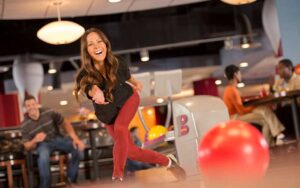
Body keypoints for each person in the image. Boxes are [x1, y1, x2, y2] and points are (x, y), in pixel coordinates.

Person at [74, 28, 186, 182]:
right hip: (109, 113)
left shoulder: (117, 62)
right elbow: (88, 87)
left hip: (128, 99)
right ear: (86, 51)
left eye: (99, 41)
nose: (97, 46)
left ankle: (117, 176)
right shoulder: (84, 74)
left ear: (106, 44)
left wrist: (137, 83)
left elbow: (128, 77)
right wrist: (95, 92)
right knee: (131, 152)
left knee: (121, 128)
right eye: (91, 44)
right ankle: (168, 162)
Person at [21, 95, 85, 188]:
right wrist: (35, 140)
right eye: (28, 106)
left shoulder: (48, 112)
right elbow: (27, 146)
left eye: (33, 104)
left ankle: (71, 179)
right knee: (43, 156)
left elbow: (65, 123)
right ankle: (45, 186)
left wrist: (75, 139)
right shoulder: (25, 124)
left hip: (58, 138)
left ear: (37, 104)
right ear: (25, 108)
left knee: (78, 149)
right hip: (43, 144)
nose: (31, 107)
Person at [223, 64, 285, 146]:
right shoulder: (231, 90)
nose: (241, 76)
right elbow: (241, 111)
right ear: (235, 74)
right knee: (264, 116)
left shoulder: (230, 89)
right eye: (240, 73)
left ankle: (270, 144)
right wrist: (255, 105)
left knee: (265, 120)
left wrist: (253, 100)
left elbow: (240, 103)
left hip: (235, 116)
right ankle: (276, 136)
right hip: (235, 117)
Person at [273, 59, 300, 137]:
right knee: (276, 112)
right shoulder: (278, 82)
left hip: (297, 107)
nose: (278, 72)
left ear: (289, 67)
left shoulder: (298, 79)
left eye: (280, 68)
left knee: (285, 111)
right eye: (277, 69)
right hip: (284, 108)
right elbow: (276, 95)